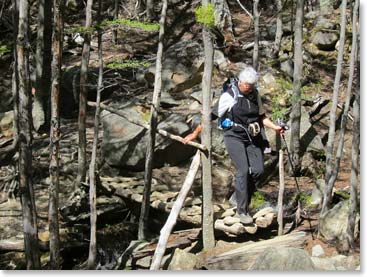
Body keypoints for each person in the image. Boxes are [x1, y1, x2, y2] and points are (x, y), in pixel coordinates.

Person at [183, 66, 284, 224]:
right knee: (243, 170)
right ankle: (242, 211)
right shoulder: (229, 96)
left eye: (251, 86)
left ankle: (237, 198)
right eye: (246, 85)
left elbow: (262, 117)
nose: (248, 88)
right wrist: (195, 134)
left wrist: (276, 128)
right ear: (241, 82)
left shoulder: (254, 95)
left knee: (258, 170)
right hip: (234, 136)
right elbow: (210, 116)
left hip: (253, 137)